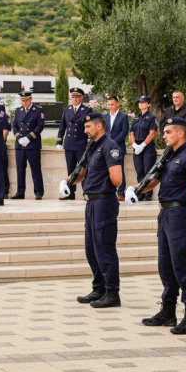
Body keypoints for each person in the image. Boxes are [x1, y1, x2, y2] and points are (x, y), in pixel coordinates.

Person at [127, 117, 186, 334]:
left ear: (181, 133)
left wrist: (180, 197)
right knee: (165, 265)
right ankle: (168, 311)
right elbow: (155, 179)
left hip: (178, 214)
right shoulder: (169, 156)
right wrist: (136, 188)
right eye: (164, 132)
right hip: (165, 214)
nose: (164, 135)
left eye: (168, 132)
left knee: (181, 264)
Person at [63, 111, 123, 308]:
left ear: (99, 126)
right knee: (91, 249)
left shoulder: (110, 146)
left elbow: (117, 179)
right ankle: (99, 288)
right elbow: (81, 174)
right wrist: (67, 180)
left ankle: (112, 293)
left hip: (104, 202)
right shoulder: (92, 146)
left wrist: (101, 184)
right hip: (91, 203)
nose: (85, 130)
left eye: (88, 126)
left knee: (104, 248)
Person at [11, 89, 45, 200]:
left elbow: (40, 126)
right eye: (22, 100)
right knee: (20, 169)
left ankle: (39, 192)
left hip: (32, 144)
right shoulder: (18, 111)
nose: (24, 103)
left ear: (30, 99)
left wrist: (29, 138)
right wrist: (18, 137)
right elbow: (15, 126)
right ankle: (20, 192)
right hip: (20, 145)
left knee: (35, 168)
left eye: (26, 100)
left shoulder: (38, 110)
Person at [56, 87, 89, 200]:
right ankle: (70, 193)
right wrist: (59, 141)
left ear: (81, 98)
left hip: (81, 144)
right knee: (70, 169)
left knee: (83, 169)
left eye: (77, 97)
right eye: (73, 97)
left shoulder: (86, 110)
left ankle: (86, 192)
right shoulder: (67, 110)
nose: (74, 99)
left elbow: (89, 127)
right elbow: (62, 126)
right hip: (69, 144)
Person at [130, 96, 158, 202]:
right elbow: (131, 133)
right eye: (140, 102)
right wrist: (134, 144)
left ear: (149, 104)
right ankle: (140, 192)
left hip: (147, 147)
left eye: (143, 102)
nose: (141, 104)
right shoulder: (136, 118)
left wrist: (143, 145)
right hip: (136, 146)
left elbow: (152, 133)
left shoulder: (151, 117)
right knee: (139, 171)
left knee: (148, 171)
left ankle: (148, 194)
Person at [104, 95, 129, 199]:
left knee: (120, 170)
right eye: (109, 104)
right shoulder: (105, 117)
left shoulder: (123, 117)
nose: (110, 106)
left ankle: (121, 193)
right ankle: (108, 191)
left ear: (117, 104)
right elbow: (104, 131)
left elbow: (124, 132)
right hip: (106, 148)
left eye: (112, 104)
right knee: (106, 170)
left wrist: (112, 142)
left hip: (118, 147)